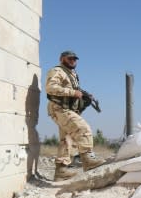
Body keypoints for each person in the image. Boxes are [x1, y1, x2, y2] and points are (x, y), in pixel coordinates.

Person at [45, 50, 106, 180]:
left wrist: (84, 94)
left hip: (67, 109)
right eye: (69, 59)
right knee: (83, 129)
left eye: (74, 59)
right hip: (59, 108)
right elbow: (50, 87)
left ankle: (61, 171)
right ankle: (88, 160)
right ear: (62, 59)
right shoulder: (57, 71)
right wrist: (72, 93)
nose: (73, 61)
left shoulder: (72, 74)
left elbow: (75, 89)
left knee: (67, 140)